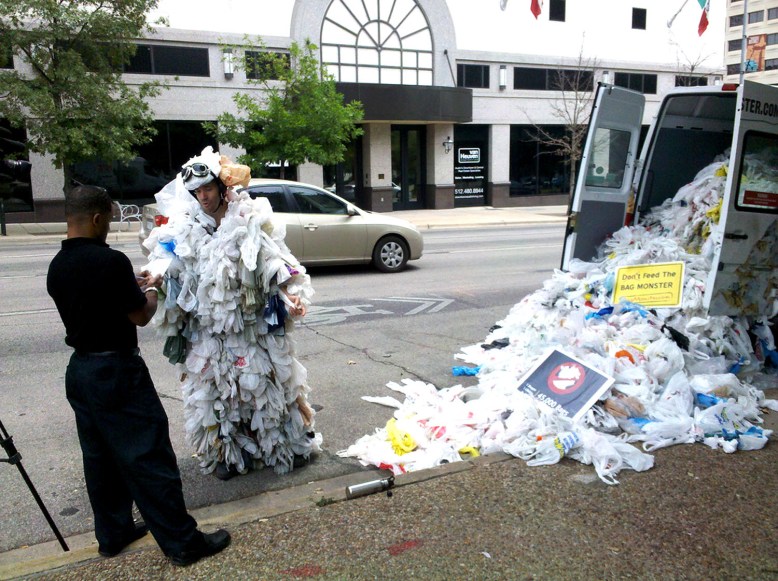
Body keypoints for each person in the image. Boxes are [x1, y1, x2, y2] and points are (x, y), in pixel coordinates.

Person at [46, 184, 231, 566]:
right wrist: (154, 289)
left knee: (100, 459)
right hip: (116, 370)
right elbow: (140, 315)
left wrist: (128, 288)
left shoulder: (57, 266)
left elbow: (95, 301)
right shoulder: (108, 261)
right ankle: (183, 543)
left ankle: (112, 534)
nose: (109, 228)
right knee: (149, 455)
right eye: (109, 221)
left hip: (81, 371)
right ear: (97, 219)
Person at [144, 147, 319, 480]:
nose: (202, 196)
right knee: (214, 394)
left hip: (249, 329)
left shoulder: (248, 217)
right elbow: (170, 257)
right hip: (207, 331)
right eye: (196, 192)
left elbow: (273, 260)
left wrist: (290, 295)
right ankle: (225, 454)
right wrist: (157, 273)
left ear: (222, 188)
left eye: (207, 189)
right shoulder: (187, 224)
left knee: (264, 389)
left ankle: (282, 448)